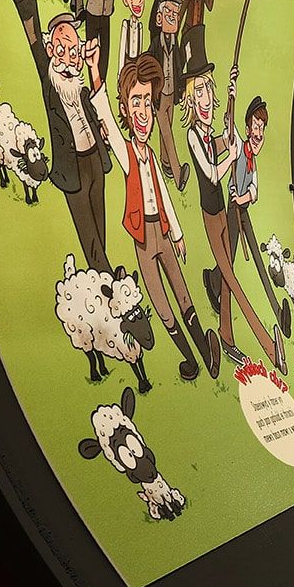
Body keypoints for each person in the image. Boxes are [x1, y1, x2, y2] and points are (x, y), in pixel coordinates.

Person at [100, 52, 220, 383]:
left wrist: (178, 234)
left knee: (182, 294)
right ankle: (189, 360)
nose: (143, 112)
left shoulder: (151, 155)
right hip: (142, 239)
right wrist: (96, 78)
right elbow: (107, 122)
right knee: (162, 306)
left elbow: (164, 196)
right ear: (125, 108)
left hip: (163, 233)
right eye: (135, 102)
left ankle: (207, 353)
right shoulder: (126, 152)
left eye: (148, 103)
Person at [8, 0, 113, 271]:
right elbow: (31, 30)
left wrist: (102, 133)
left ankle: (104, 283)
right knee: (90, 239)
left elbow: (94, 111)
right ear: (52, 50)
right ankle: (110, 285)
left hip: (95, 160)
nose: (69, 56)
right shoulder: (49, 77)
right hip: (71, 168)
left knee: (100, 228)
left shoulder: (81, 84)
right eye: (62, 49)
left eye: (74, 49)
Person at [188, 50, 285, 373]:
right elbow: (212, 173)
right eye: (199, 91)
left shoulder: (210, 135)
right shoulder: (192, 136)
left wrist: (231, 92)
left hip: (224, 213)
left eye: (209, 90)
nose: (205, 98)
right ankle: (266, 348)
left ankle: (227, 332)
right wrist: (230, 156)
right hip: (211, 214)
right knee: (233, 281)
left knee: (228, 281)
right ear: (190, 99)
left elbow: (225, 138)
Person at [224, 94, 291, 336]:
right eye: (255, 126)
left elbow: (254, 191)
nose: (259, 133)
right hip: (232, 210)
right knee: (227, 259)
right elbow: (227, 124)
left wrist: (245, 199)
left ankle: (277, 311)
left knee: (259, 262)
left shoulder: (253, 162)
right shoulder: (238, 148)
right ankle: (215, 285)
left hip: (242, 210)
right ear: (247, 128)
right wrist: (232, 93)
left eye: (261, 128)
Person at [148, 0, 190, 191]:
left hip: (172, 93)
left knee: (168, 130)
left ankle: (165, 164)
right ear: (159, 18)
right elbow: (148, 63)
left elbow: (179, 67)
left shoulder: (176, 44)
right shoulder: (156, 44)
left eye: (175, 15)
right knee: (166, 132)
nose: (172, 18)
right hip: (159, 95)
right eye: (169, 14)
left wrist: (181, 91)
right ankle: (177, 170)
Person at [115, 0, 149, 79]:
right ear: (125, 0)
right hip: (126, 65)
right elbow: (121, 52)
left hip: (136, 67)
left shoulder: (140, 26)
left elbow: (140, 51)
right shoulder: (126, 25)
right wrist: (120, 75)